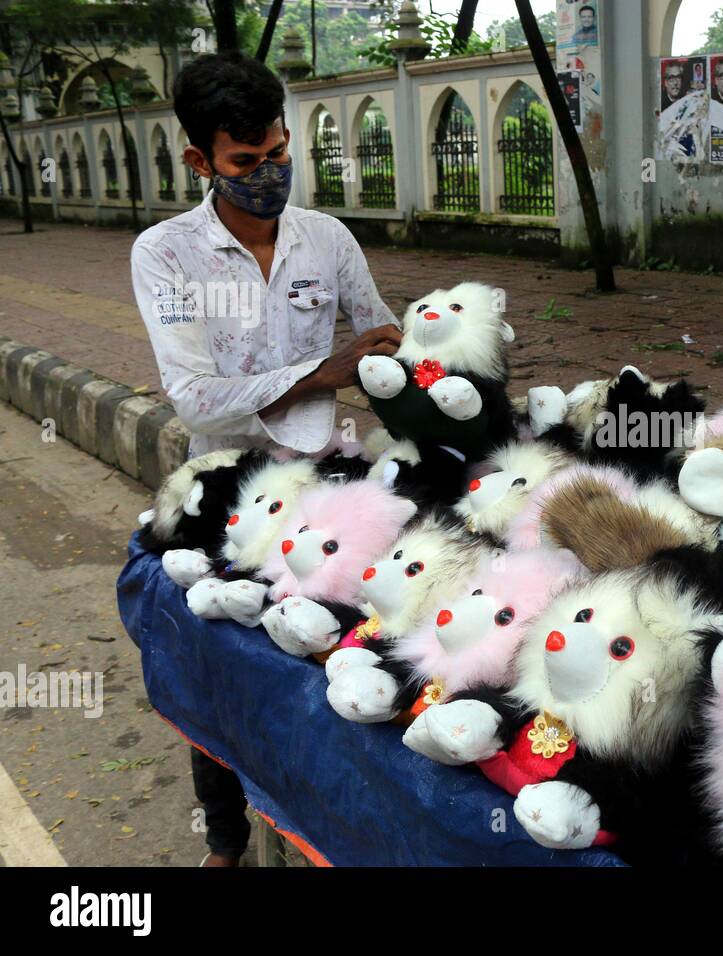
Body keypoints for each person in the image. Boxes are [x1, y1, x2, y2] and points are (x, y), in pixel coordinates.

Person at [130, 51, 402, 867]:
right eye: (246, 163)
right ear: (199, 161)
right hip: (225, 496)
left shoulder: (327, 239)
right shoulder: (165, 254)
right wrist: (324, 371)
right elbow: (194, 397)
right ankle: (225, 834)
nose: (268, 173)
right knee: (216, 667)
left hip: (327, 487)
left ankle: (322, 823)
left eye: (279, 154)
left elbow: (380, 341)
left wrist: (437, 373)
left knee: (336, 655)